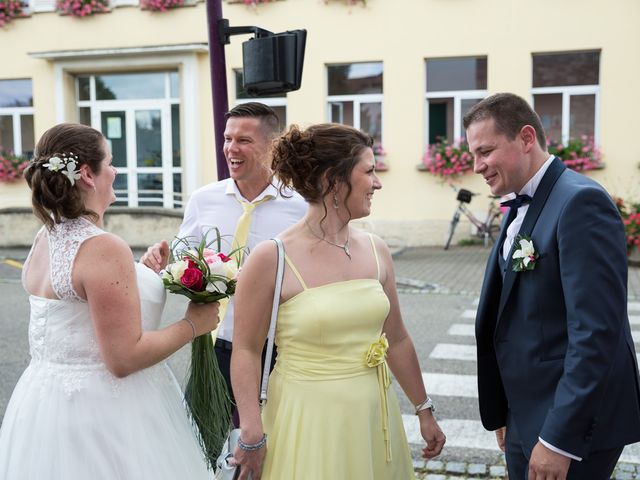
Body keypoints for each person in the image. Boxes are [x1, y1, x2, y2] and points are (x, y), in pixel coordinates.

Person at [0, 123, 220, 479]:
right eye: (110, 161)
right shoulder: (103, 247)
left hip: (44, 405)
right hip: (103, 415)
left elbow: (83, 299)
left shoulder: (47, 234)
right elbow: (123, 358)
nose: (115, 170)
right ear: (87, 174)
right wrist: (194, 324)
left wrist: (142, 272)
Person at [230, 123, 446, 479]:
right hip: (307, 419)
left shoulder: (376, 249)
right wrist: (251, 428)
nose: (377, 183)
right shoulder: (272, 257)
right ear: (334, 180)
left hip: (374, 418)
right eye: (369, 172)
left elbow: (398, 338)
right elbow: (246, 349)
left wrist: (423, 408)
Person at [466, 93, 640, 479]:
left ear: (526, 138)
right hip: (526, 412)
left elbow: (595, 333)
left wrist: (559, 439)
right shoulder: (522, 202)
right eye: (473, 155)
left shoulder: (581, 204)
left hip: (571, 425)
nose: (477, 166)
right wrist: (506, 411)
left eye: (485, 151)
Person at [141, 102, 307, 408]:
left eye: (243, 140)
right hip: (216, 344)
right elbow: (183, 261)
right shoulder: (204, 200)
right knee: (201, 443)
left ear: (272, 145)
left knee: (270, 445)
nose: (231, 148)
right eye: (227, 139)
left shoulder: (300, 207)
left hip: (277, 349)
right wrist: (161, 262)